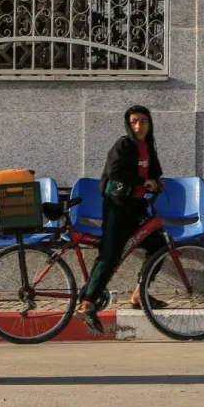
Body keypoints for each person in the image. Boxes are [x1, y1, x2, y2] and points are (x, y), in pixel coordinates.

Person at [75, 105, 166, 332]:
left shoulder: (148, 146)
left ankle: (139, 294)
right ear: (128, 124)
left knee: (158, 246)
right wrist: (141, 181)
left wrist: (155, 181)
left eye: (143, 121)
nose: (139, 126)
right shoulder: (123, 145)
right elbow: (115, 171)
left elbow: (154, 171)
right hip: (117, 206)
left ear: (149, 124)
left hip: (136, 207)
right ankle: (87, 303)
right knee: (110, 254)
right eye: (134, 122)